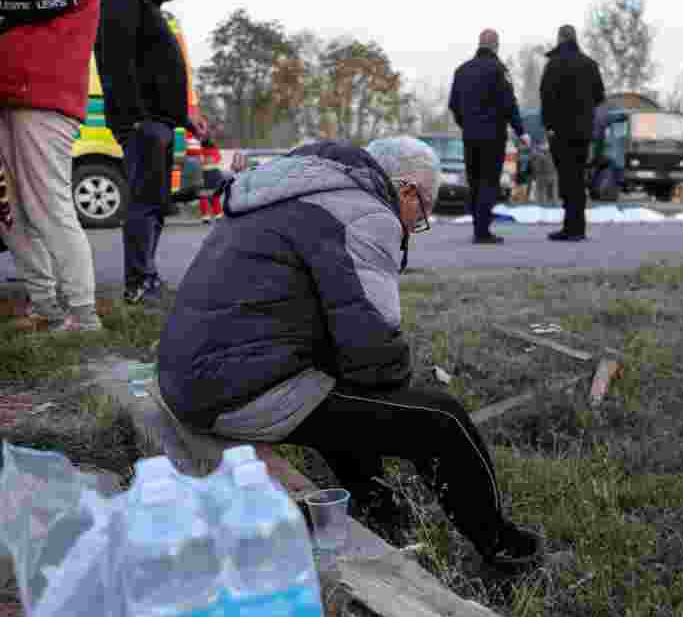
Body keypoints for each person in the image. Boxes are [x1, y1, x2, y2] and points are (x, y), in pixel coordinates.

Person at [157, 137, 544, 572]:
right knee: (441, 420)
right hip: (233, 391)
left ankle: (378, 505)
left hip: (187, 376)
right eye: (422, 215)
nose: (414, 226)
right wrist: (401, 406)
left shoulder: (296, 188)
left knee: (347, 391)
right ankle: (507, 551)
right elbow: (374, 351)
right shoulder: (364, 213)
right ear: (407, 191)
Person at [95, 0, 208, 306]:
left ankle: (148, 279)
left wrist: (184, 118)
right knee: (145, 204)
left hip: (158, 122)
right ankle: (139, 285)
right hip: (143, 124)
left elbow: (153, 74)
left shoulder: (142, 1)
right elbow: (116, 59)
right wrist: (137, 117)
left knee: (156, 204)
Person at [0, 0, 103, 332]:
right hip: (9, 96)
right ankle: (45, 306)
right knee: (11, 213)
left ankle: (83, 314)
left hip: (44, 97)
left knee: (48, 206)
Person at [448, 29, 529, 245]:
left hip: (470, 136)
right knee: (489, 181)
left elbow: (453, 105)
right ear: (496, 45)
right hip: (493, 136)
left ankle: (478, 226)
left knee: (474, 180)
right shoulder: (499, 70)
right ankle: (482, 231)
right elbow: (509, 104)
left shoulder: (461, 71)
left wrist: (466, 124)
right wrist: (521, 131)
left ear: (479, 43)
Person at [540, 24, 606, 241]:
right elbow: (599, 97)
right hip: (583, 132)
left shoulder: (553, 65)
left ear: (560, 39)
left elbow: (546, 97)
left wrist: (548, 126)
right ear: (575, 39)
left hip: (560, 132)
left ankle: (571, 227)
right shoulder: (590, 65)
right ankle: (578, 227)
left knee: (567, 178)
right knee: (577, 178)